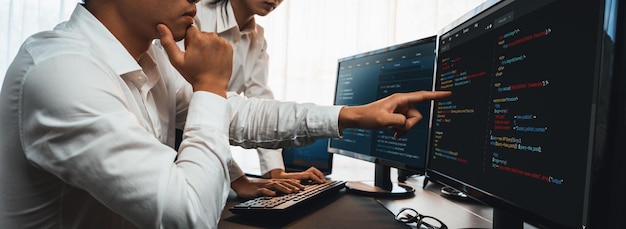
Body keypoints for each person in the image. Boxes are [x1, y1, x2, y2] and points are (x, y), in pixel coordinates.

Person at [0, 0, 451, 228]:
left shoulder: (148, 57)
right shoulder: (63, 73)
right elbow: (189, 215)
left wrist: (351, 115)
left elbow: (236, 113)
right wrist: (210, 85)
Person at [193, 0, 327, 183]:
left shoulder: (258, 39)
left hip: (207, 150)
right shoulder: (195, 15)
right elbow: (188, 111)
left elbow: (261, 99)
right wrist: (238, 179)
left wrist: (276, 171)